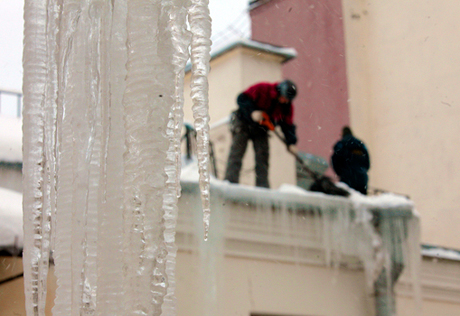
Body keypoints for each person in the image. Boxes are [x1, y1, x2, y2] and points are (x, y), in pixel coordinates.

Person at [224, 80, 298, 188]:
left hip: (261, 128)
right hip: (243, 121)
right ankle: (230, 182)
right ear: (279, 92)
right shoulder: (263, 89)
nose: (284, 101)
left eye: (287, 99)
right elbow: (242, 98)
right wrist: (252, 111)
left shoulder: (286, 107)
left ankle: (263, 187)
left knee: (262, 157)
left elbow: (287, 125)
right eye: (284, 97)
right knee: (237, 152)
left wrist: (291, 142)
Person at [331, 126, 370, 194]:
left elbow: (335, 160)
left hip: (347, 179)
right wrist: (361, 171)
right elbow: (367, 163)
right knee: (361, 202)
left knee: (348, 201)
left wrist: (340, 172)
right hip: (362, 180)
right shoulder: (361, 144)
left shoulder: (341, 144)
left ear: (343, 134)